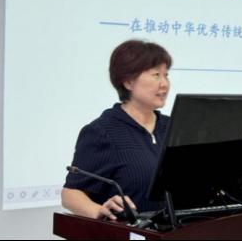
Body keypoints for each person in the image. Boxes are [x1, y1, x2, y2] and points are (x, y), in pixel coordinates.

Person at [62, 39, 172, 218]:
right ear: (128, 82)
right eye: (156, 75)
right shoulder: (102, 132)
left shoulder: (172, 127)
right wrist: (99, 211)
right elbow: (70, 195)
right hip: (133, 230)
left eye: (166, 75)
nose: (164, 83)